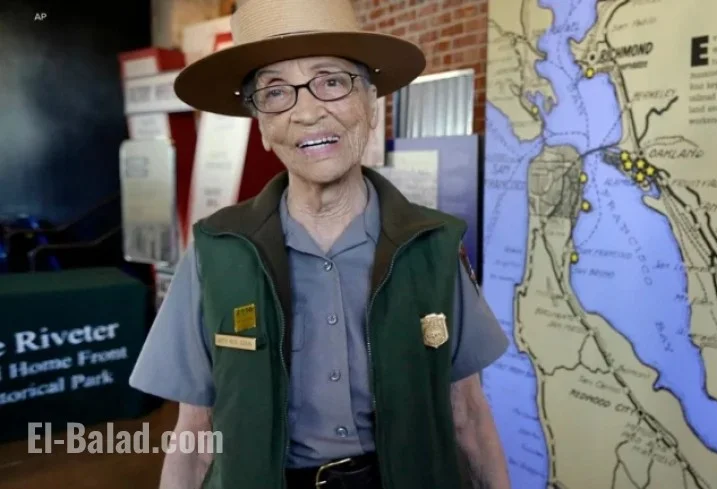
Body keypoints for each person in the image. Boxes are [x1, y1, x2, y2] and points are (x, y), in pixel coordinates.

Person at [127, 0, 511, 488]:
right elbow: (195, 434)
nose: (308, 112)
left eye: (332, 81)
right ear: (262, 126)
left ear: (370, 105)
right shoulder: (216, 253)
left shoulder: (432, 248)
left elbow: (468, 415)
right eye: (276, 92)